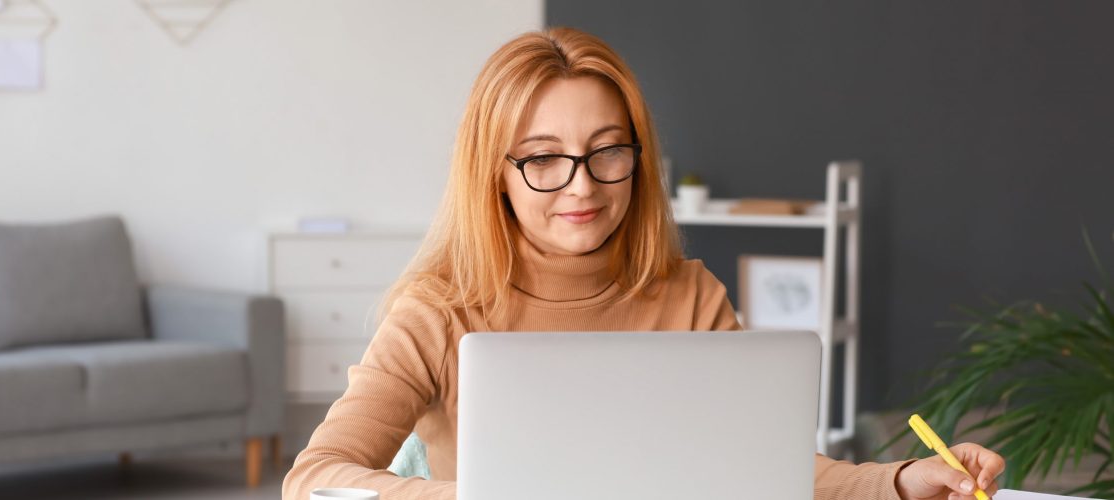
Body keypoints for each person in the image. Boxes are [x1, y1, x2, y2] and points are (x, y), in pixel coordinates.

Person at [283, 27, 1005, 500]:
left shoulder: (689, 296)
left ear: (638, 156)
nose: (582, 184)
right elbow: (314, 478)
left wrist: (905, 480)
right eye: (542, 159)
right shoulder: (437, 311)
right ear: (493, 174)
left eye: (608, 150)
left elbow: (771, 470)